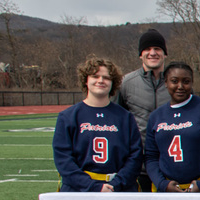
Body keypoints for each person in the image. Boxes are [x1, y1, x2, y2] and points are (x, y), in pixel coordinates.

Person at [53, 56, 142, 192]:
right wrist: (93, 186)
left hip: (119, 190)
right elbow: (63, 160)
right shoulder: (68, 117)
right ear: (86, 80)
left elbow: (135, 157)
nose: (101, 80)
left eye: (106, 78)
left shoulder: (125, 117)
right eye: (95, 76)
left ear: (113, 82)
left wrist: (116, 184)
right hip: (79, 191)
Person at [144, 62, 200, 192]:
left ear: (192, 83)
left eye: (186, 81)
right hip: (167, 192)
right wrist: (162, 183)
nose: (180, 86)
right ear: (166, 82)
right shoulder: (156, 116)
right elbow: (151, 156)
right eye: (174, 81)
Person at [117, 29, 170, 191]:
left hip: (170, 166)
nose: (152, 53)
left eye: (157, 49)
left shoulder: (176, 83)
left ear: (164, 53)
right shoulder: (126, 83)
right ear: (140, 54)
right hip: (138, 167)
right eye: (147, 49)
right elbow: (117, 122)